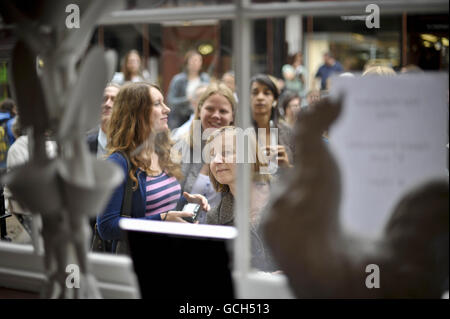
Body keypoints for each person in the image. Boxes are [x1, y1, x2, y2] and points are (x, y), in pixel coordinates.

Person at [97, 82, 209, 253]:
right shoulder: (117, 162)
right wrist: (162, 220)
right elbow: (106, 227)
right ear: (136, 112)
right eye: (157, 104)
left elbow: (161, 206)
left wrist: (186, 203)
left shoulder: (164, 151)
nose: (167, 109)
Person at [204, 126, 275, 271]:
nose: (216, 160)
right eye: (212, 155)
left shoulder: (287, 196)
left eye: (226, 152)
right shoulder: (215, 218)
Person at [175, 82, 236, 218]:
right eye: (210, 109)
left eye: (223, 111)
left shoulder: (242, 151)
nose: (216, 115)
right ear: (199, 110)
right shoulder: (180, 146)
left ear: (232, 116)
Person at [250, 74, 294, 175]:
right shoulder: (239, 133)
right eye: (255, 92)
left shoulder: (288, 132)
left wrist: (287, 166)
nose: (260, 97)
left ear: (275, 100)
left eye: (266, 93)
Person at [167, 50, 210, 130]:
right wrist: (187, 100)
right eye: (193, 60)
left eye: (199, 60)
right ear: (187, 63)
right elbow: (170, 100)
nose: (196, 63)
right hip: (181, 117)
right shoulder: (178, 79)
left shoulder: (205, 78)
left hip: (200, 115)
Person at [87, 83, 121, 158]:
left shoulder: (130, 146)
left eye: (114, 100)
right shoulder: (84, 145)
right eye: (104, 99)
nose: (107, 104)